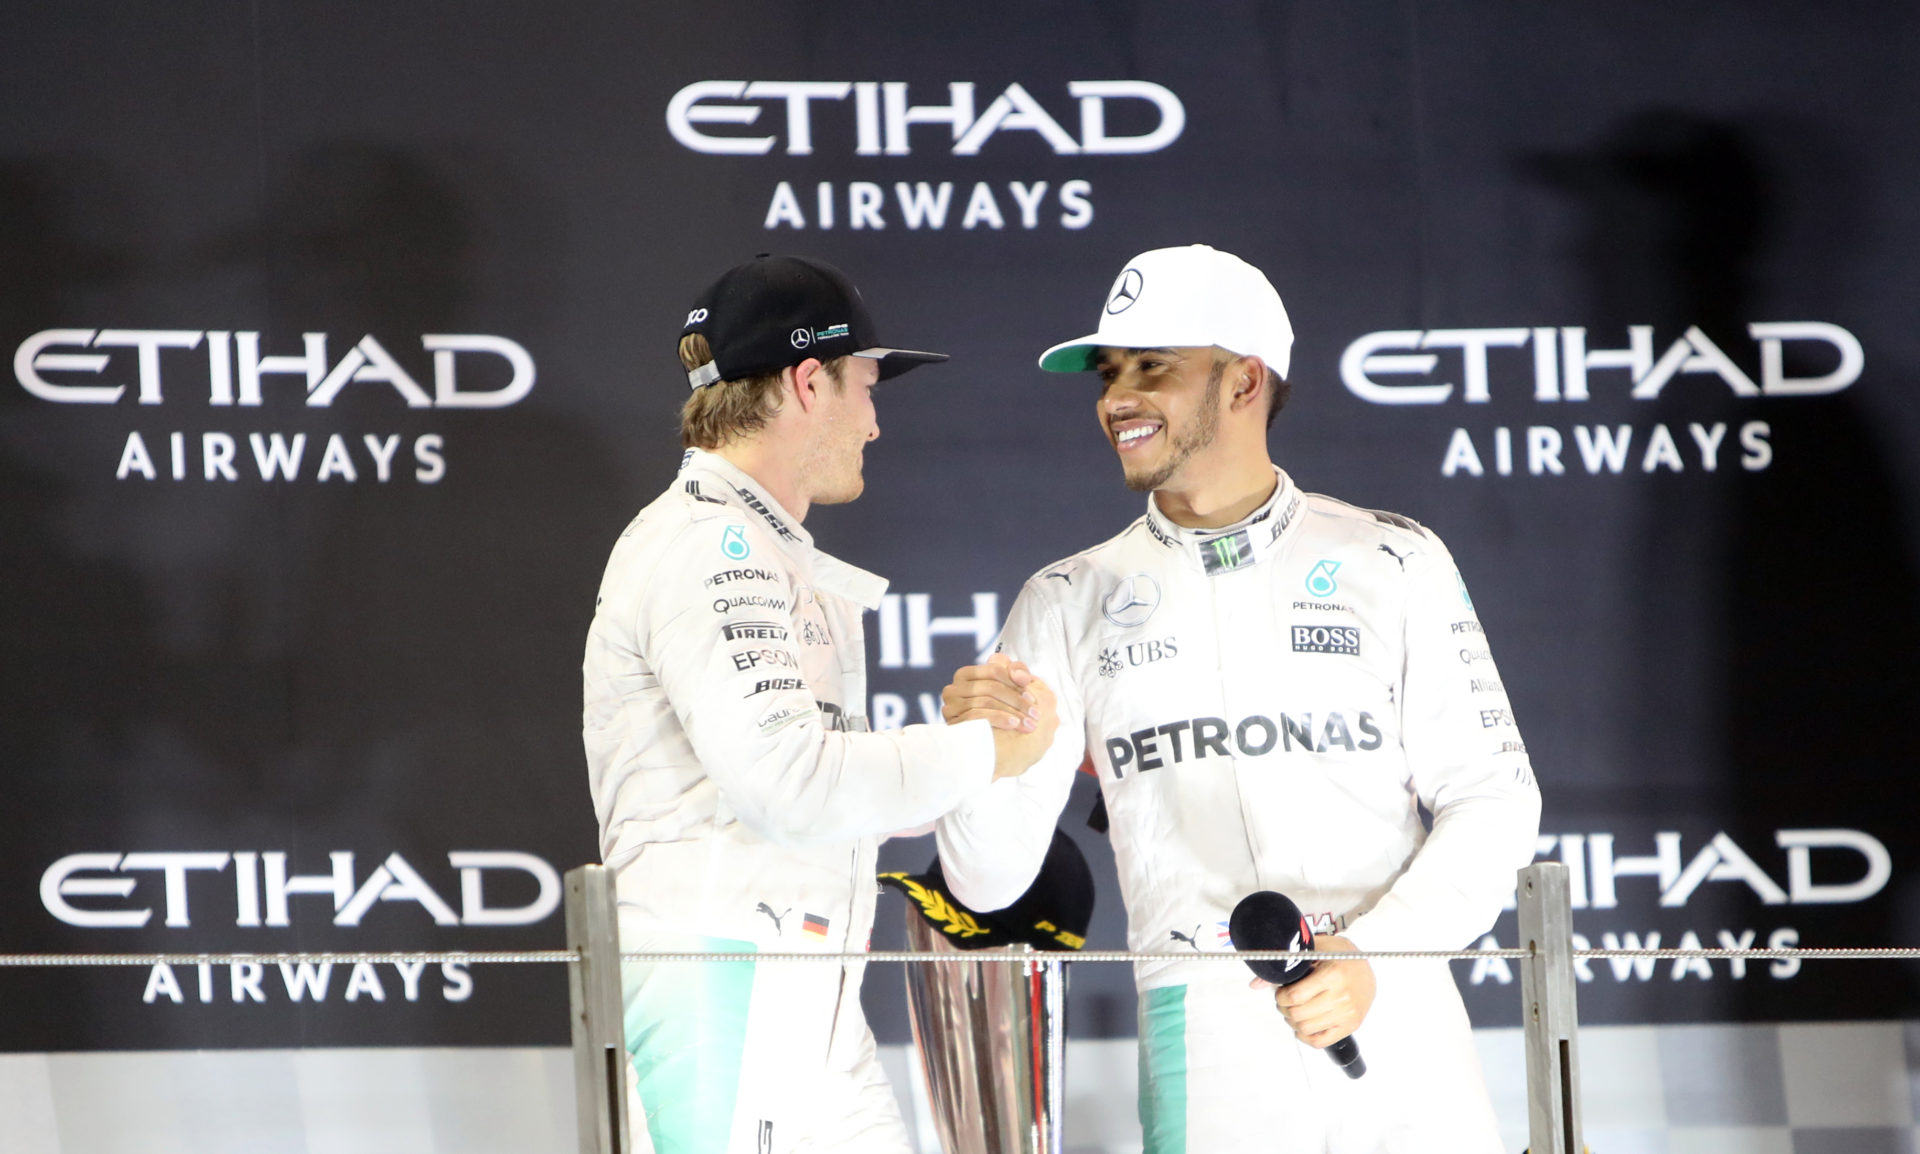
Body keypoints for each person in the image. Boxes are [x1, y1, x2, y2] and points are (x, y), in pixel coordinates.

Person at [935, 244, 1541, 1153]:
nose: (1116, 399)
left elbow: (1497, 798)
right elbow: (988, 882)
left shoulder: (1394, 558)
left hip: (1399, 1005)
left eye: (1153, 368)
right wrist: (979, 761)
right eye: (1109, 374)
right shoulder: (1065, 599)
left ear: (1245, 380)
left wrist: (1377, 951)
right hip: (1201, 1027)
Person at [582, 253, 1058, 1154]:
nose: (876, 423)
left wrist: (956, 748)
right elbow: (789, 783)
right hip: (722, 997)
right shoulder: (711, 547)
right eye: (867, 387)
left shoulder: (760, 549)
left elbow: (825, 798)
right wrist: (983, 754)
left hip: (809, 1001)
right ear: (809, 383)